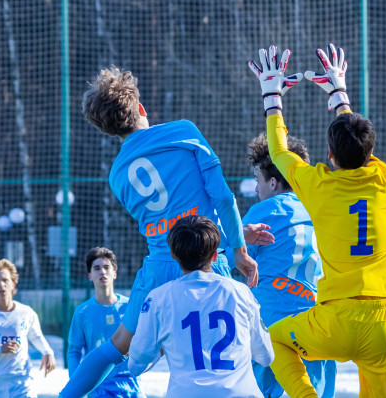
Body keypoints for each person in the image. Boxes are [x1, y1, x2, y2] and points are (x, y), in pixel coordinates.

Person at [60, 66, 262, 398]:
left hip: (158, 269)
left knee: (117, 347)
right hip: (208, 261)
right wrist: (237, 248)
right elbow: (222, 197)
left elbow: (169, 229)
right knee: (225, 347)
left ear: (109, 130)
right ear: (141, 108)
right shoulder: (183, 132)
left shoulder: (117, 175)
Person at [248, 44, 386, 397]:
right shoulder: (384, 180)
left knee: (272, 338)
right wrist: (339, 93)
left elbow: (279, 152)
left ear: (329, 154)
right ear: (371, 153)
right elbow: (358, 146)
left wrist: (272, 95)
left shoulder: (317, 186)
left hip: (334, 322)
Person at [128, 214, 274, 396]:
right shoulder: (241, 292)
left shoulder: (158, 298)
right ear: (214, 256)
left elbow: (135, 365)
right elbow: (266, 356)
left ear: (173, 254)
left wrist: (164, 348)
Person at [243, 132, 337, 398]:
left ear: (273, 182)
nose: (255, 188)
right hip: (314, 321)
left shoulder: (264, 211)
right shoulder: (319, 208)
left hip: (269, 322)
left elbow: (228, 260)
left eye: (257, 180)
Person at [0, 259, 56, 397]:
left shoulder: (26, 312)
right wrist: (0, 349)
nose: (1, 284)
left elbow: (35, 336)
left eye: (5, 280)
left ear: (13, 283)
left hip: (22, 384)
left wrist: (47, 352)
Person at [67, 247, 144, 398]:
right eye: (97, 268)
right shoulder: (82, 312)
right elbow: (74, 351)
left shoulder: (130, 307)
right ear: (90, 275)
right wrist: (76, 384)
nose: (102, 272)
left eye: (106, 267)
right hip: (98, 388)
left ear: (114, 273)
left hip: (131, 387)